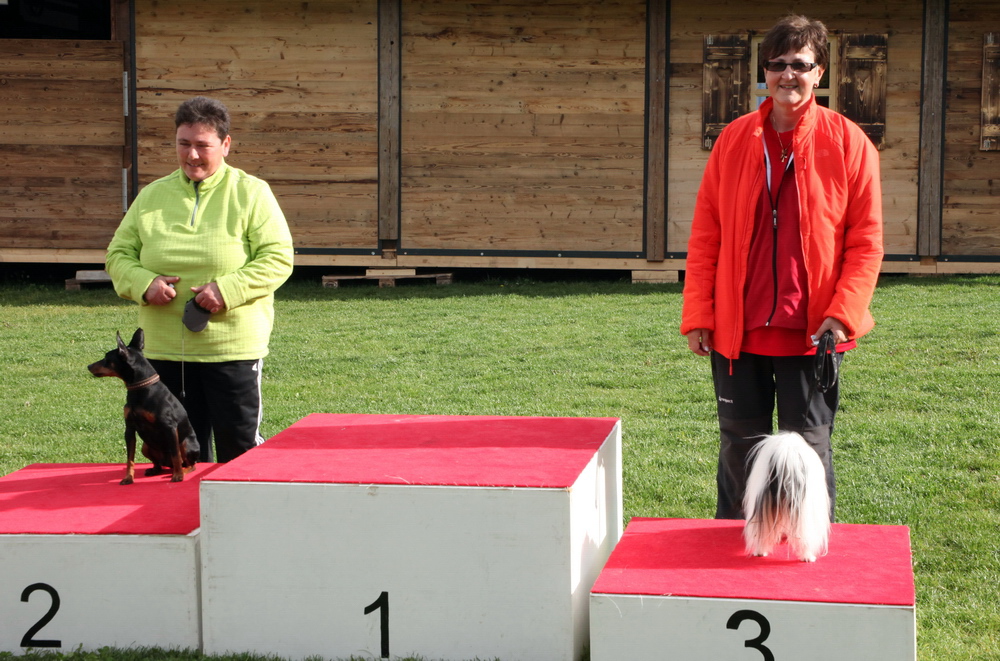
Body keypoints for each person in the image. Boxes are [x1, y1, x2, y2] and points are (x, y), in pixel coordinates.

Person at [680, 15, 883, 520]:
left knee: (808, 451)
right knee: (739, 449)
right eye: (777, 64)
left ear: (819, 73)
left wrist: (844, 314)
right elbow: (706, 236)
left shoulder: (849, 142)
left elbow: (866, 242)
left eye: (800, 64)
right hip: (738, 332)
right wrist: (699, 312)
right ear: (764, 72)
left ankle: (809, 550)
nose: (787, 74)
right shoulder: (733, 139)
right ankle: (734, 544)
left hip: (814, 333)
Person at [106, 96, 294, 463]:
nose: (192, 155)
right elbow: (118, 255)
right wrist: (144, 283)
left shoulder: (252, 193)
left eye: (202, 145)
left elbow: (278, 258)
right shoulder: (152, 195)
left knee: (239, 455)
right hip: (162, 354)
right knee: (173, 455)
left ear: (225, 144)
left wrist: (227, 290)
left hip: (232, 352)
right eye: (184, 144)